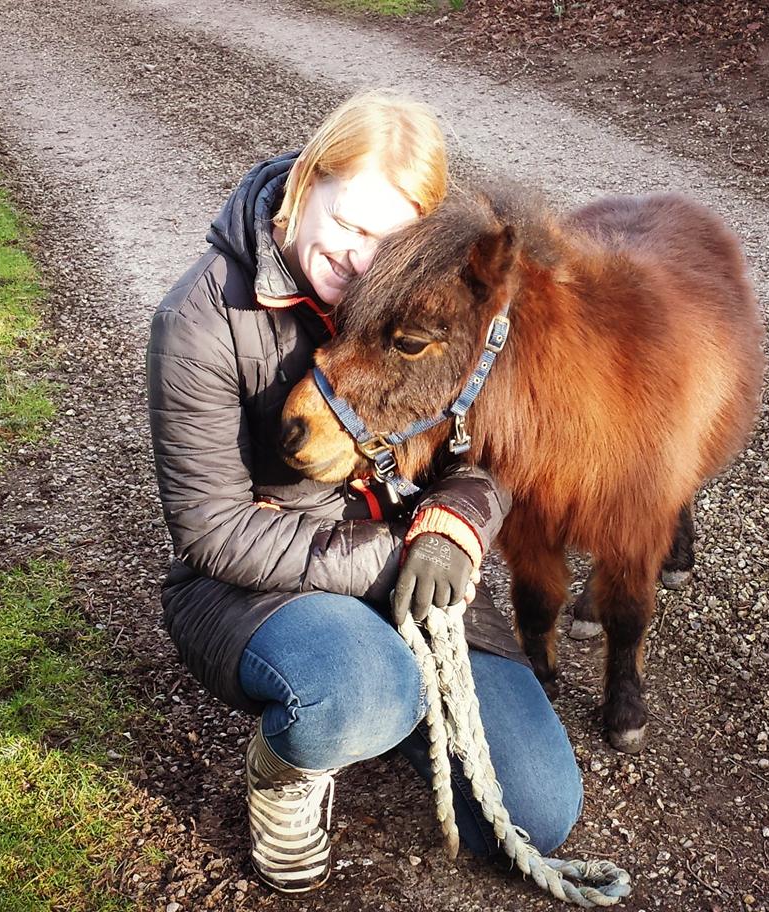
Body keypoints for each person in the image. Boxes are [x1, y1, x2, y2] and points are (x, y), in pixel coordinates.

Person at [146, 91, 582, 895]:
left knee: (537, 812)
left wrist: (456, 524)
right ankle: (292, 765)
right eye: (349, 225)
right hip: (258, 582)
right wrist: (392, 559)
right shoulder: (201, 320)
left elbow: (488, 444)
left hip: (418, 561)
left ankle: (385, 697)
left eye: (385, 243)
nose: (358, 263)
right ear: (307, 179)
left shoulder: (423, 289)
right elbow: (212, 530)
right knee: (364, 691)